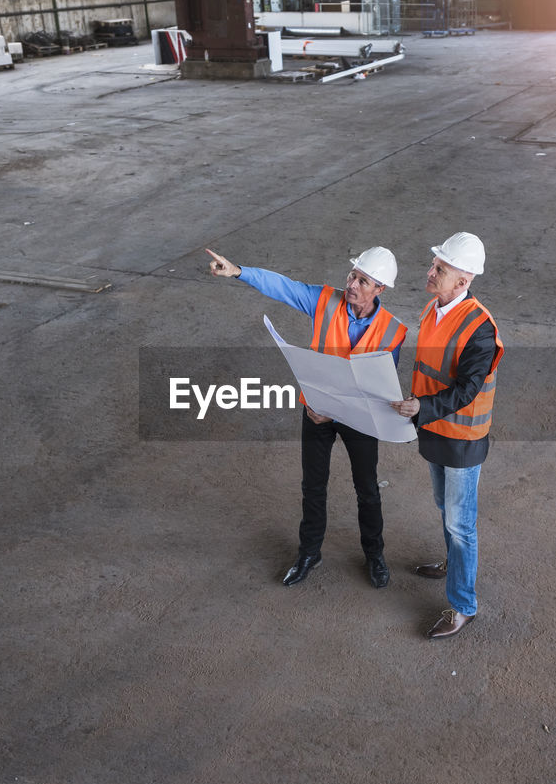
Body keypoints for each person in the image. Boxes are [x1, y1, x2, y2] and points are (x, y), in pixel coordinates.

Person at [206, 246, 407, 589]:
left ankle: (374, 555)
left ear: (380, 290)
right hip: (317, 411)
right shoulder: (325, 300)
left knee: (368, 489)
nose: (352, 284)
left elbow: (383, 385)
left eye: (363, 280)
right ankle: (309, 552)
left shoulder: (394, 332)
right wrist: (239, 271)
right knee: (313, 487)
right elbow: (285, 286)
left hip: (359, 419)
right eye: (352, 275)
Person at [390, 232, 503, 639]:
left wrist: (423, 408)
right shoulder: (433, 308)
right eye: (434, 265)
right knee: (445, 508)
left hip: (462, 440)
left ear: (463, 282)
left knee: (461, 525)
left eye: (440, 269)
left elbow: (467, 389)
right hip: (435, 431)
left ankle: (463, 606)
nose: (430, 272)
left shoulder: (480, 329)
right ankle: (453, 564)